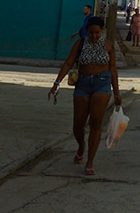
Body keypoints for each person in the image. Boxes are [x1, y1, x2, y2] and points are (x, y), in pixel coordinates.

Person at [49, 17, 121, 176]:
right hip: (83, 84)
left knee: (96, 122)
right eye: (91, 32)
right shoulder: (80, 44)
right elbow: (68, 63)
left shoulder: (108, 46)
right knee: (78, 125)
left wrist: (116, 92)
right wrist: (57, 83)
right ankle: (81, 145)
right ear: (86, 32)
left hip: (102, 84)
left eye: (97, 32)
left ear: (102, 31)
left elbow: (113, 69)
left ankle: (90, 161)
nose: (94, 36)